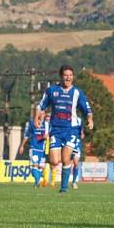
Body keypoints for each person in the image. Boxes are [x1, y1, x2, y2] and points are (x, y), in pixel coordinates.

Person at [36, 64, 94, 194]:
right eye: (65, 75)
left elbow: (87, 110)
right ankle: (60, 183)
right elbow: (41, 105)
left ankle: (64, 188)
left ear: (73, 77)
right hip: (56, 130)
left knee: (65, 159)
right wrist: (39, 115)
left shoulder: (77, 93)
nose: (68, 78)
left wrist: (90, 119)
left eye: (70, 75)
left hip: (71, 130)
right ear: (61, 76)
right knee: (54, 161)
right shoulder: (52, 91)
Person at [19, 110, 50, 187]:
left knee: (41, 167)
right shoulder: (32, 124)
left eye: (43, 113)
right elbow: (27, 135)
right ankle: (38, 181)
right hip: (34, 148)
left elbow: (50, 135)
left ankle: (37, 182)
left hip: (43, 149)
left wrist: (48, 137)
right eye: (40, 113)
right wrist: (22, 146)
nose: (42, 115)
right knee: (34, 166)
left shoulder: (47, 124)